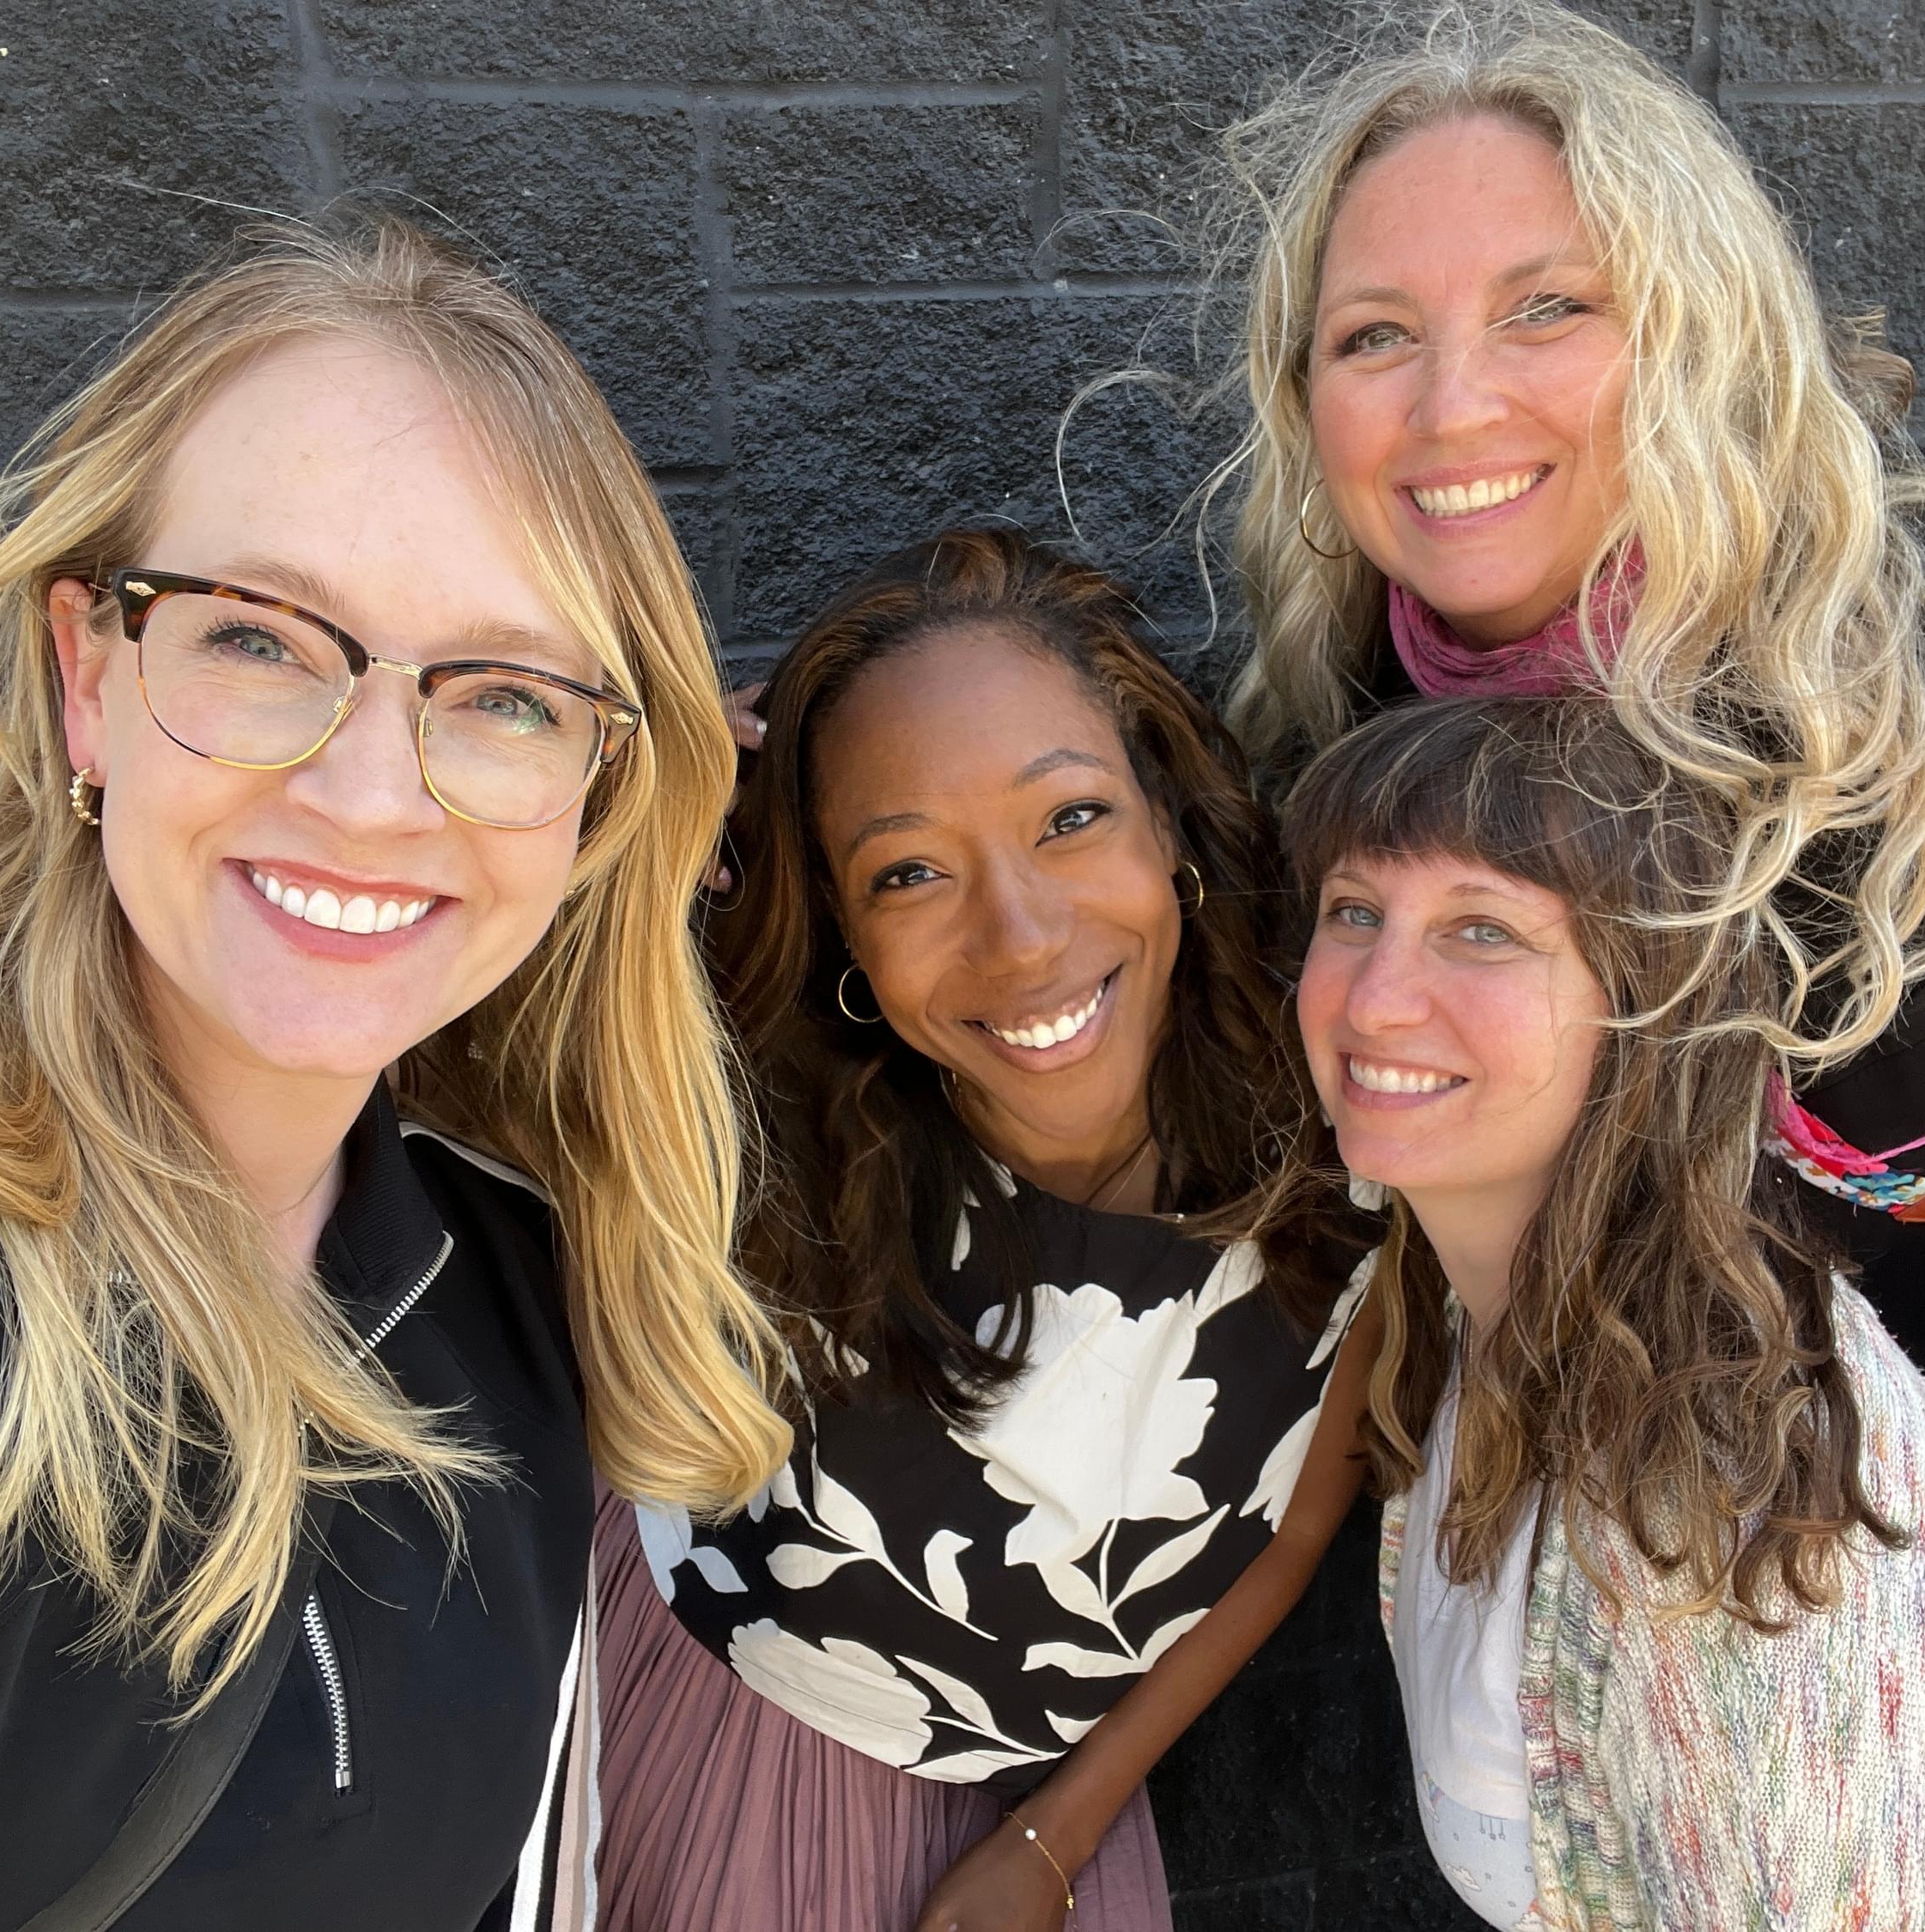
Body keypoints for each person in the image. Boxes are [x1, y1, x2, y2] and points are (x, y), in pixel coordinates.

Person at [0, 217, 786, 1930]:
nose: (372, 795)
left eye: (503, 694)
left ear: (590, 793)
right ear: (88, 681)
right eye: (259, 639)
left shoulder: (517, 1279)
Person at [1190, 0, 1925, 1776]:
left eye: (1548, 306)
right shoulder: (1338, 768)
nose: (1453, 404)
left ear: (1708, 330)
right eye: (1374, 335)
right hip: (1619, 1755)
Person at [1286, 695, 1925, 1927]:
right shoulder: (1464, 1313)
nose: (1375, 998)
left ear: (1652, 1012)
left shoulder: (1728, 1536)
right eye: (1354, 911)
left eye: (1483, 929)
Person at [588, 529, 1387, 1930]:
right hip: (709, 1730)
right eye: (908, 872)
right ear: (839, 925)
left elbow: (1295, 1520)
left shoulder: (1352, 1137)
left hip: (1047, 1816)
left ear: (1167, 821)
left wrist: (1055, 1839)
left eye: (1070, 817)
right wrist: (605, 806)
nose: (1019, 936)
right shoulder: (755, 1119)